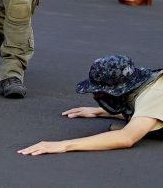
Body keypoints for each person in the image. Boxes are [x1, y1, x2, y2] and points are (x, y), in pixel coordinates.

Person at [19, 55, 163, 156]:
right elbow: (147, 111)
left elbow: (126, 138)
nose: (96, 96)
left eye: (100, 92)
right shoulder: (146, 82)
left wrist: (64, 144)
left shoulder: (155, 94)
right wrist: (100, 111)